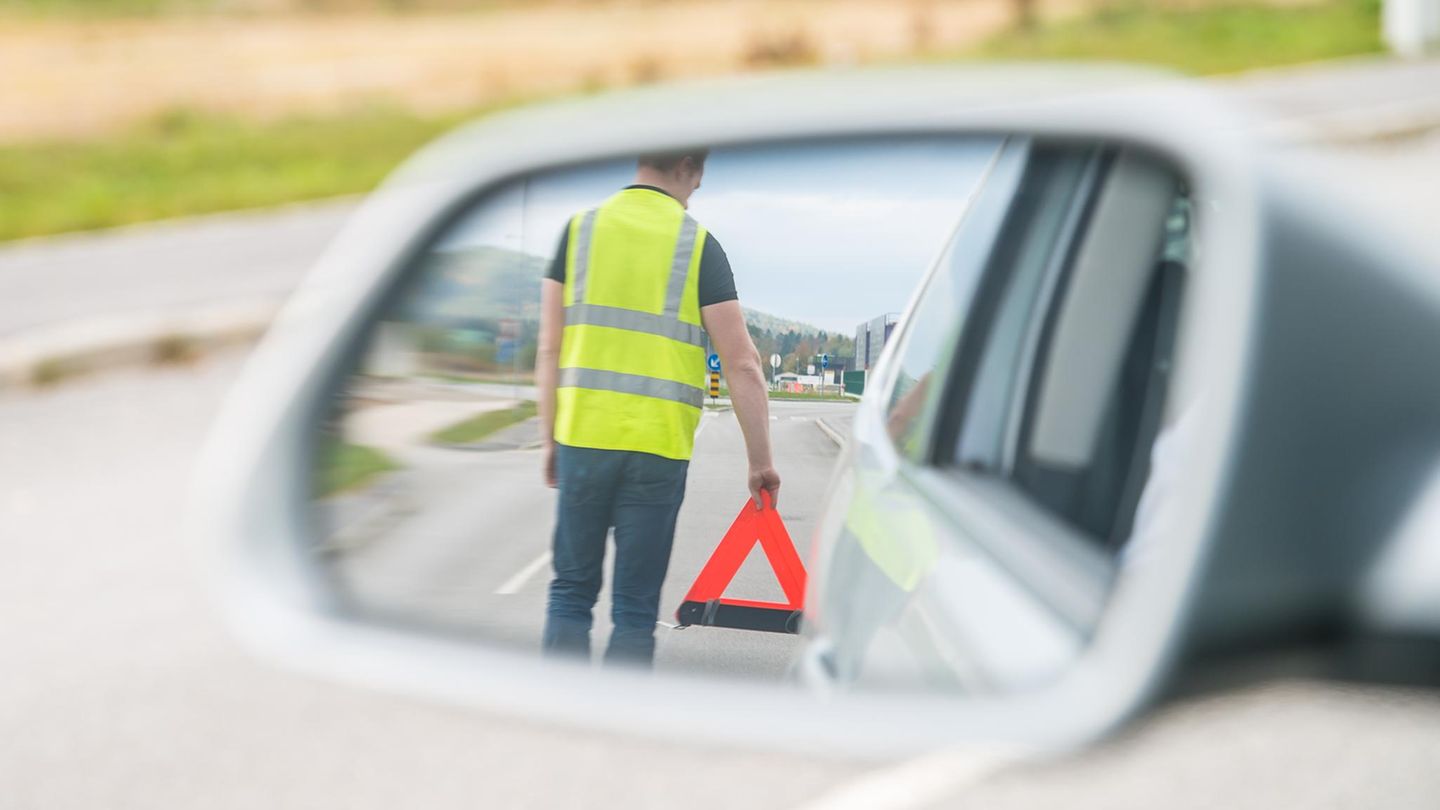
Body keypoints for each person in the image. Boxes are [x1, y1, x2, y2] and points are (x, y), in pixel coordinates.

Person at [534, 148, 781, 667]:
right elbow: (743, 364)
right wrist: (760, 462)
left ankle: (554, 718)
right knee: (634, 610)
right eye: (698, 182)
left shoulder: (578, 232)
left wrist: (549, 436)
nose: (695, 194)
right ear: (691, 171)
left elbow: (549, 349)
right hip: (657, 451)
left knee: (571, 593)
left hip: (583, 440)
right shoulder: (699, 247)